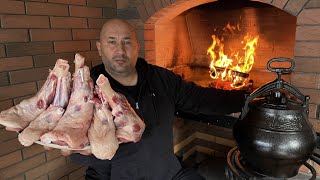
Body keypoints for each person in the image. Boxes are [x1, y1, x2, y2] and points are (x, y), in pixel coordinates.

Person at [58, 18, 246, 180]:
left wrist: (248, 99)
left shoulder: (162, 79)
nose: (120, 49)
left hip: (167, 173)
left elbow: (201, 99)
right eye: (112, 42)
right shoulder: (84, 90)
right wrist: (79, 152)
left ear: (137, 46)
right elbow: (75, 146)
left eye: (127, 41)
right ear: (100, 48)